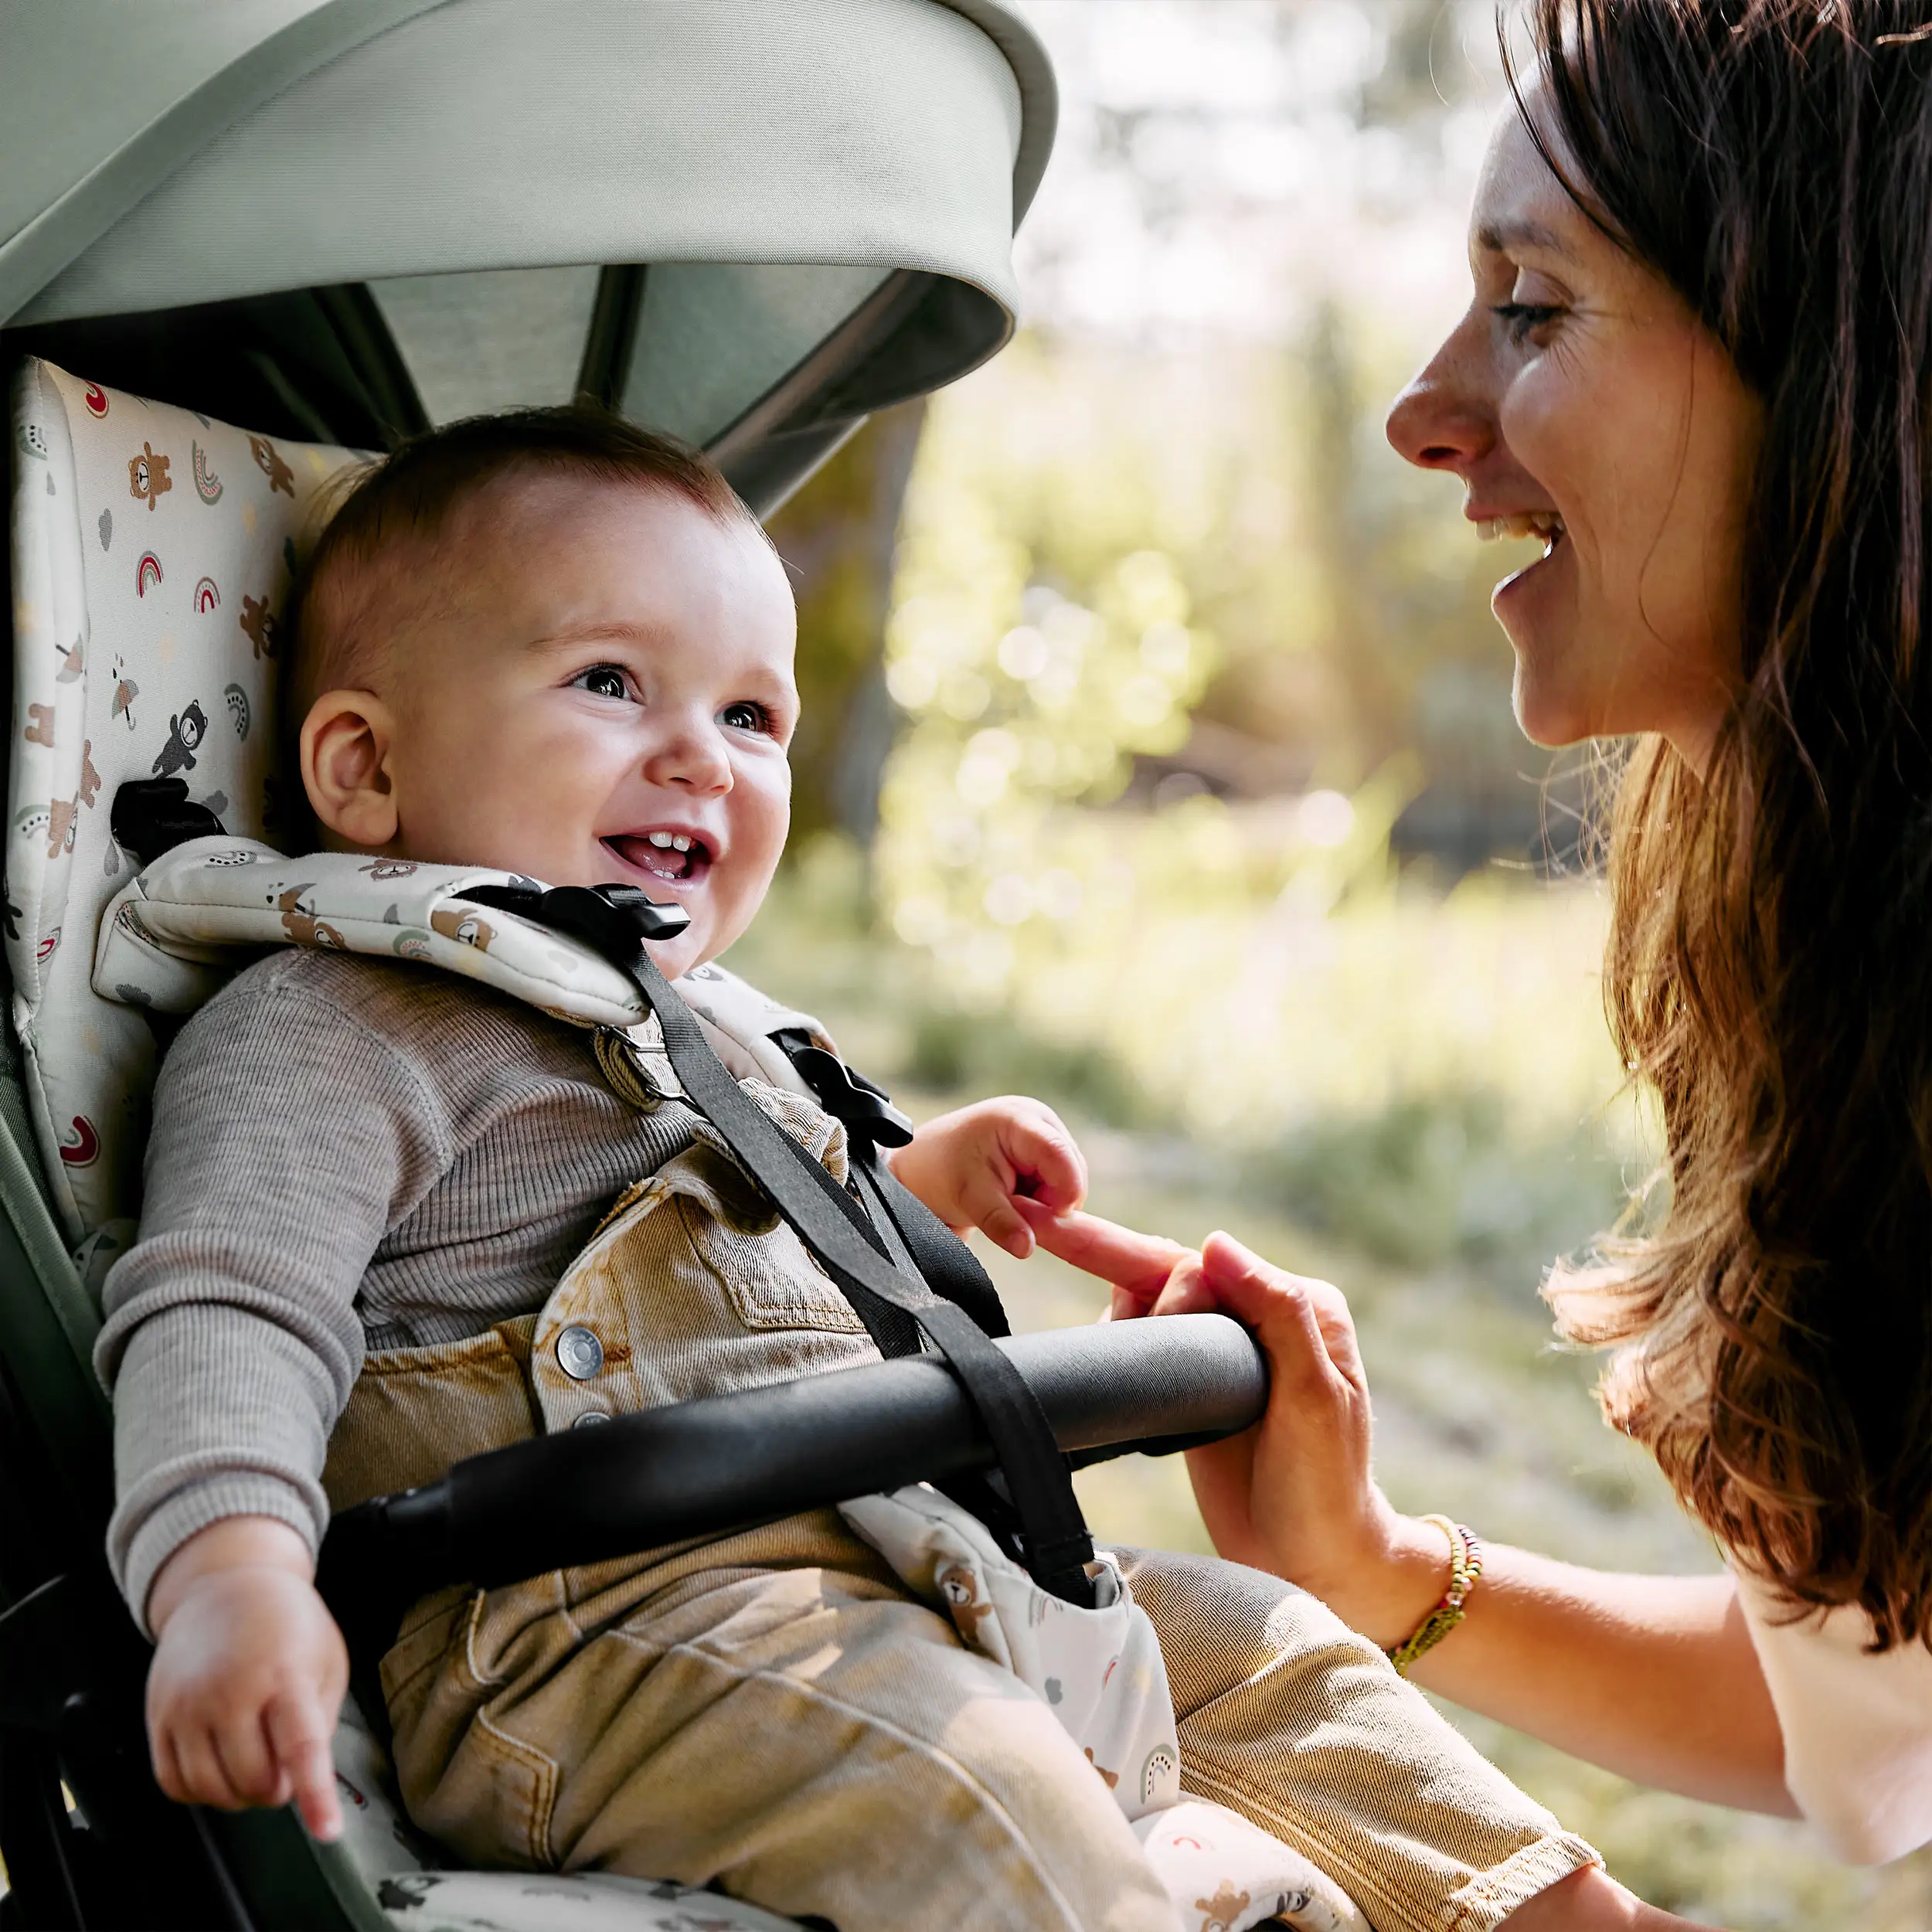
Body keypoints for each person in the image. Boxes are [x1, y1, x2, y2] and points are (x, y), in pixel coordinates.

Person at [94, 406, 1677, 1930]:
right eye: (609, 680)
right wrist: (229, 1571)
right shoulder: (329, 1022)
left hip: (895, 1547)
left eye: (749, 715)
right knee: (966, 1785)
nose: (701, 759)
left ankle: (1572, 1914)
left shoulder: (707, 1022)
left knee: (1266, 1645)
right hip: (588, 1628)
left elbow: (737, 1266)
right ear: (364, 770)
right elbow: (228, 1303)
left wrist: (912, 1182)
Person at [1026, 0, 1932, 1882]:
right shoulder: (1832, 970)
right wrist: (1369, 1572)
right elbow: (1872, 1703)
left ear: (1852, 362)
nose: (1423, 410)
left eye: (1530, 305)